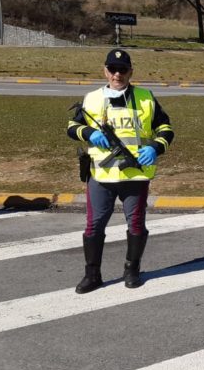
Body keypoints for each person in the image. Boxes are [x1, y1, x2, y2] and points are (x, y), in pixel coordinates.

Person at [66, 49, 175, 294]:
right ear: (105, 71)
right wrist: (89, 133)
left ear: (130, 72)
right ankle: (92, 274)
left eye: (122, 70)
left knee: (136, 225)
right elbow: (72, 126)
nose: (117, 74)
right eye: (113, 69)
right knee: (94, 226)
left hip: (135, 175)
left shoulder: (146, 98)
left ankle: (132, 269)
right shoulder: (91, 98)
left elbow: (166, 128)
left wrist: (156, 148)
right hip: (101, 176)